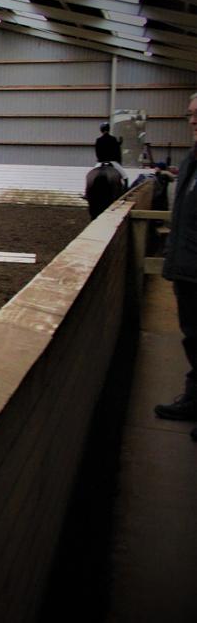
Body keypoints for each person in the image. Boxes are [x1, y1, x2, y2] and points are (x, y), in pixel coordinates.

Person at [154, 93, 197, 441]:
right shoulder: (191, 161)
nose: (193, 121)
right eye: (190, 115)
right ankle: (194, 399)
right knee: (193, 339)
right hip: (186, 268)